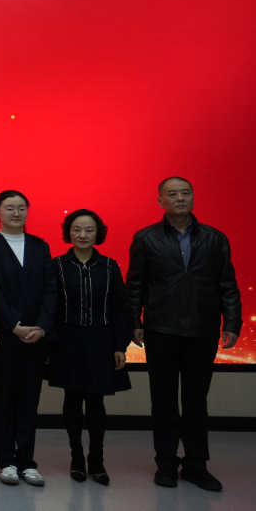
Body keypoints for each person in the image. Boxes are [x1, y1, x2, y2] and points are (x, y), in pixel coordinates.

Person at [127, 177, 241, 492]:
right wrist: (134, 320)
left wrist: (232, 322)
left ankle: (195, 465)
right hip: (160, 330)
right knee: (163, 401)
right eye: (173, 193)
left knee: (195, 402)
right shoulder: (146, 238)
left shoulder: (215, 238)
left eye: (186, 193)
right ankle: (166, 464)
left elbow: (227, 285)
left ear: (193, 197)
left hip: (202, 331)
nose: (180, 198)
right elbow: (135, 284)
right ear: (160, 201)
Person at [0, 190, 57, 487]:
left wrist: (42, 327)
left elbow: (50, 289)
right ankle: (6, 461)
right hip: (2, 339)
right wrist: (15, 325)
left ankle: (28, 462)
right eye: (9, 208)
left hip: (36, 338)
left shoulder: (40, 246)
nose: (16, 213)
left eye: (22, 207)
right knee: (2, 400)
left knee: (28, 401)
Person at [48, 209, 132, 486]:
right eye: (77, 229)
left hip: (101, 339)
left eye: (89, 230)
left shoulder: (109, 266)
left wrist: (120, 345)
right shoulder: (57, 265)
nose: (82, 235)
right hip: (67, 339)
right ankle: (76, 458)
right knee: (72, 400)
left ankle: (97, 461)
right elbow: (49, 307)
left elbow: (120, 307)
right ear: (68, 232)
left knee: (96, 401)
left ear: (98, 234)